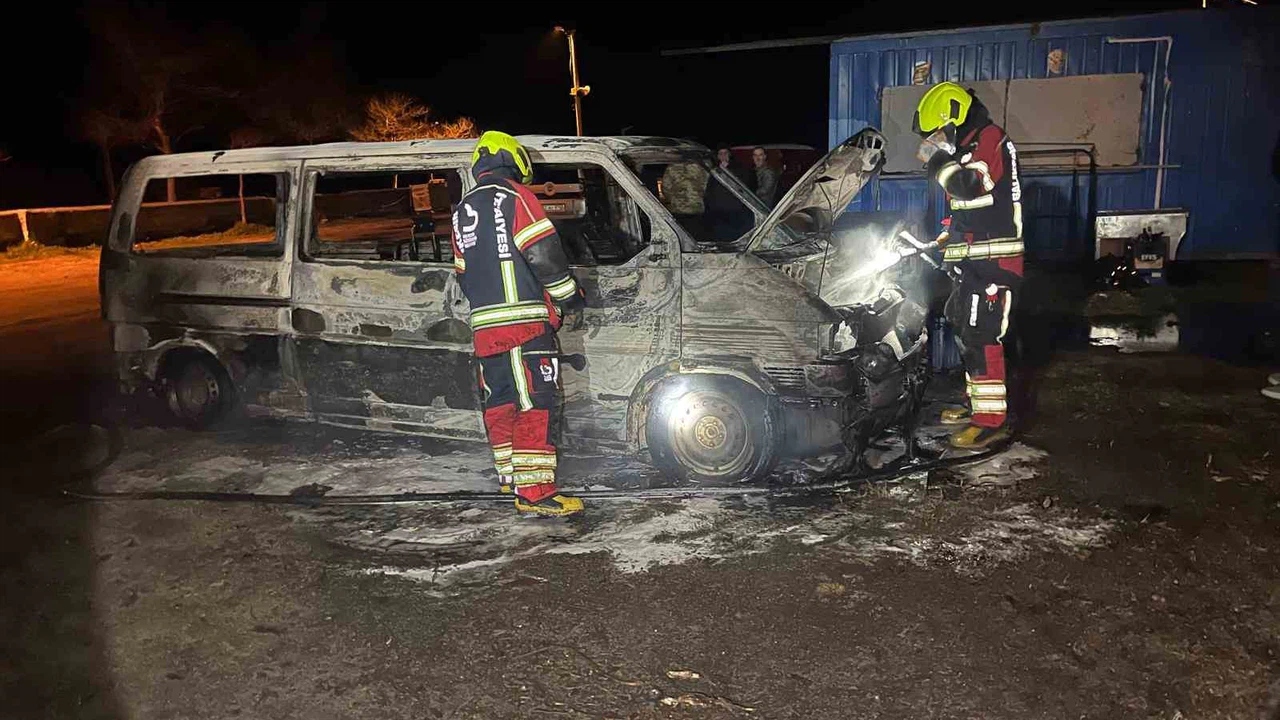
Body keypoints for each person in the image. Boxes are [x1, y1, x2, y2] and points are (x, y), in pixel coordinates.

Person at [451, 131, 586, 516]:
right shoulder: (515, 197)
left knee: (502, 403)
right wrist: (568, 297)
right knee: (535, 403)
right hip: (524, 327)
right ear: (514, 161)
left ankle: (514, 481)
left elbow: (462, 272)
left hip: (485, 331)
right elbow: (544, 255)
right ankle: (536, 493)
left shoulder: (462, 210)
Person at [914, 82, 1024, 449]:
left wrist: (937, 159)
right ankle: (975, 403)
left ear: (954, 119)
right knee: (962, 326)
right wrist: (947, 236)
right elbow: (967, 211)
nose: (936, 139)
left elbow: (970, 187)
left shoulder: (990, 140)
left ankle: (990, 421)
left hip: (994, 266)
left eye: (938, 132)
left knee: (981, 337)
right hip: (973, 265)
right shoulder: (968, 148)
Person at [703, 146, 752, 242]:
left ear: (729, 155)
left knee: (732, 235)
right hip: (717, 209)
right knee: (719, 235)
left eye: (725, 153)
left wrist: (726, 170)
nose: (723, 156)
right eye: (720, 154)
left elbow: (741, 185)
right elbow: (709, 188)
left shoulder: (738, 168)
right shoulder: (714, 170)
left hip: (732, 209)